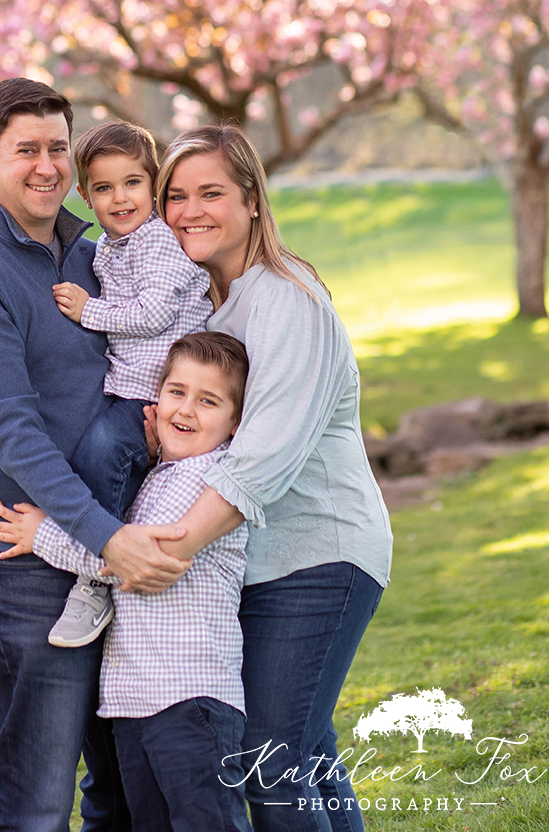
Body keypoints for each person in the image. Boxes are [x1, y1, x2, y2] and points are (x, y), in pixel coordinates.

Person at [0, 79, 192, 832]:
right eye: (24, 151)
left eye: (55, 150)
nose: (46, 168)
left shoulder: (96, 248)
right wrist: (103, 539)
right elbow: (11, 432)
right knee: (37, 803)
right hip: (32, 563)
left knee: (130, 791)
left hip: (122, 547)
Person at [150, 125, 393, 832]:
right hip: (258, 565)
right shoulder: (210, 307)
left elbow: (266, 456)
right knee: (305, 753)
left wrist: (170, 550)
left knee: (267, 760)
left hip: (318, 557)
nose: (188, 210)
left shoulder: (286, 298)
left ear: (253, 200)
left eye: (210, 193)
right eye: (174, 196)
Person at [0, 330, 253, 832]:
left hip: (190, 697)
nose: (186, 410)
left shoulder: (210, 481)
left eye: (209, 401)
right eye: (176, 392)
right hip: (135, 704)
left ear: (235, 423)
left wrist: (44, 534)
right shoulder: (158, 477)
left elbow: (134, 563)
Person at [47, 121, 212, 648]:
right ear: (85, 196)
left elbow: (155, 312)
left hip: (161, 389)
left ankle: (95, 576)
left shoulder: (159, 240)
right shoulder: (112, 247)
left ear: (153, 183)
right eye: (103, 188)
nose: (120, 198)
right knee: (97, 451)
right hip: (133, 385)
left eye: (133, 183)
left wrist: (89, 311)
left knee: (103, 448)